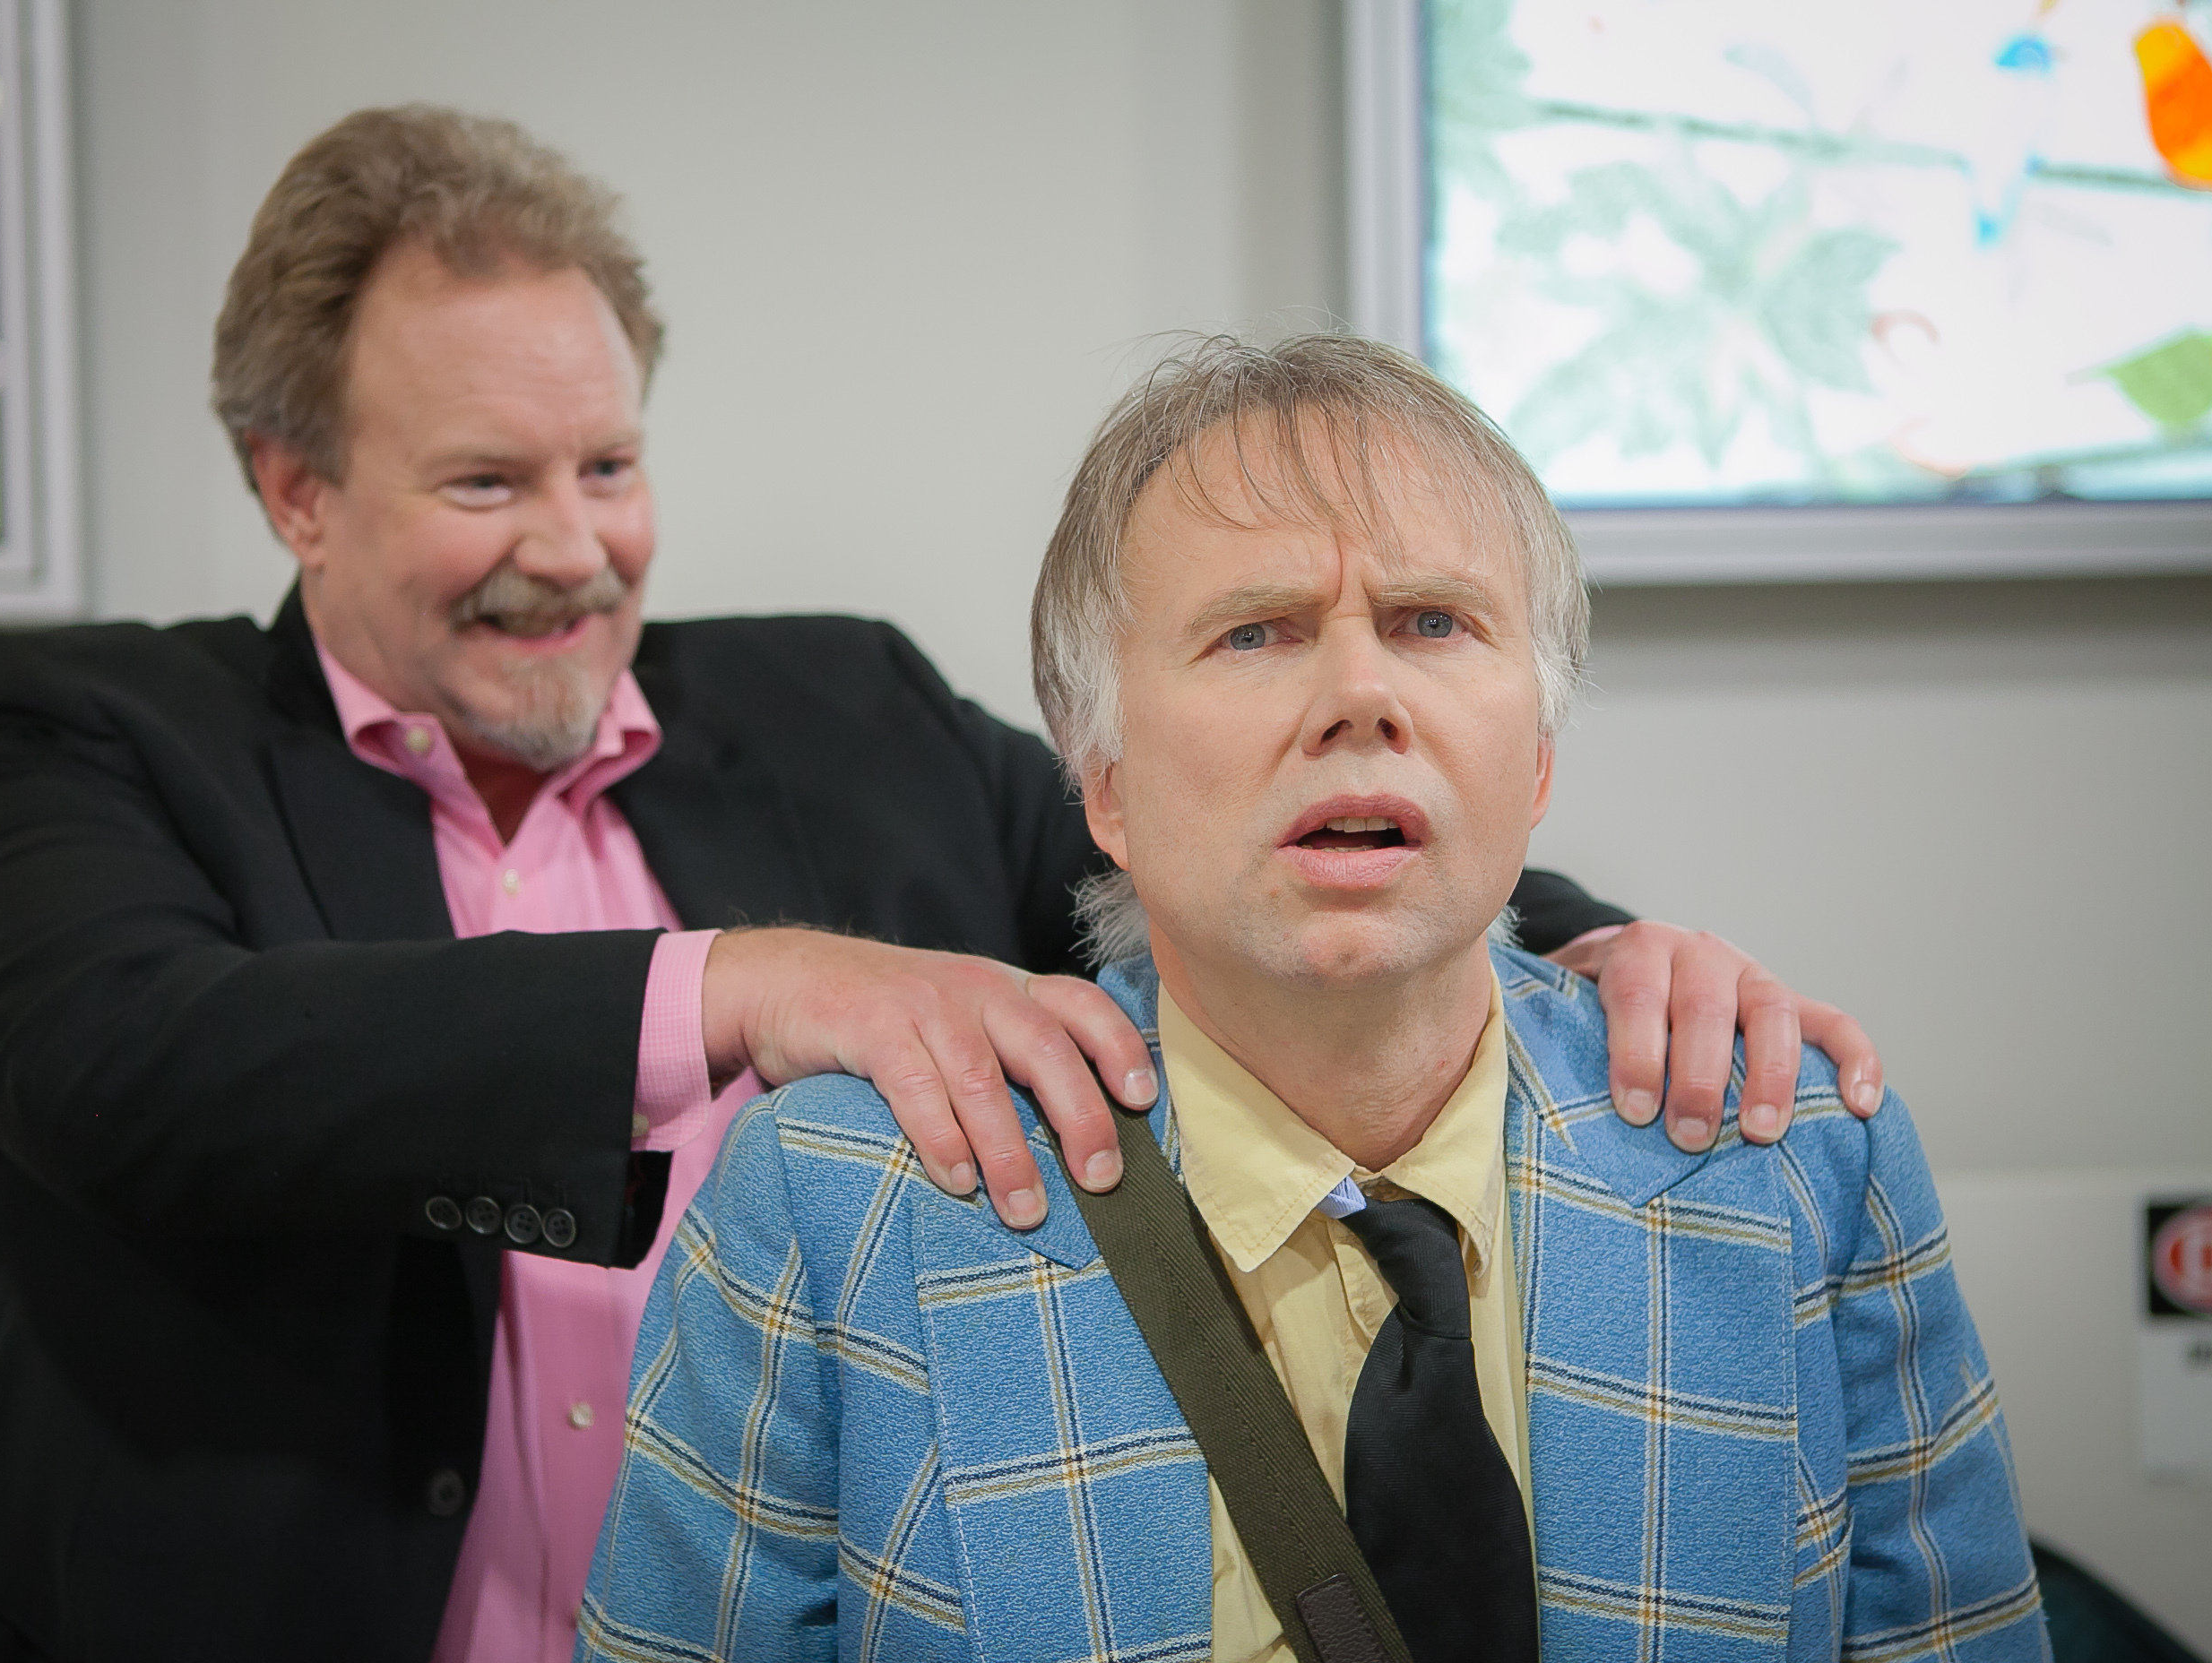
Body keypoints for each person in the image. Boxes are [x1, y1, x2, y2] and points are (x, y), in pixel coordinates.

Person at [0, 108, 1883, 1662]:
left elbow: (1240, 848)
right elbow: (117, 1056)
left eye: (610, 467)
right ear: (294, 487)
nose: (574, 549)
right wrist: (735, 987)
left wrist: (1596, 946)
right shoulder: (88, 724)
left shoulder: (839, 701)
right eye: (488, 482)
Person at [580, 334, 2043, 1662]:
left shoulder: (1801, 1164)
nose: (1359, 693)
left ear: (1536, 760)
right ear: (1104, 785)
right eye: (1257, 632)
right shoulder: (838, 1212)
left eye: (1431, 622)